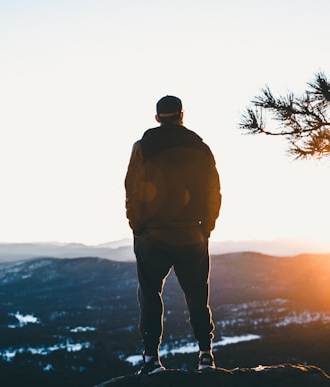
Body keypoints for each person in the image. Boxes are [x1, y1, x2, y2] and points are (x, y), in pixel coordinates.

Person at [124, 95, 221, 374]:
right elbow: (213, 191)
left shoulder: (142, 147)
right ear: (182, 115)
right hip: (192, 232)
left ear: (157, 118)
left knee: (151, 295)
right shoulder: (201, 148)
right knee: (197, 296)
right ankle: (206, 356)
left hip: (152, 234)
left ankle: (151, 360)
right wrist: (207, 227)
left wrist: (137, 226)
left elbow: (132, 188)